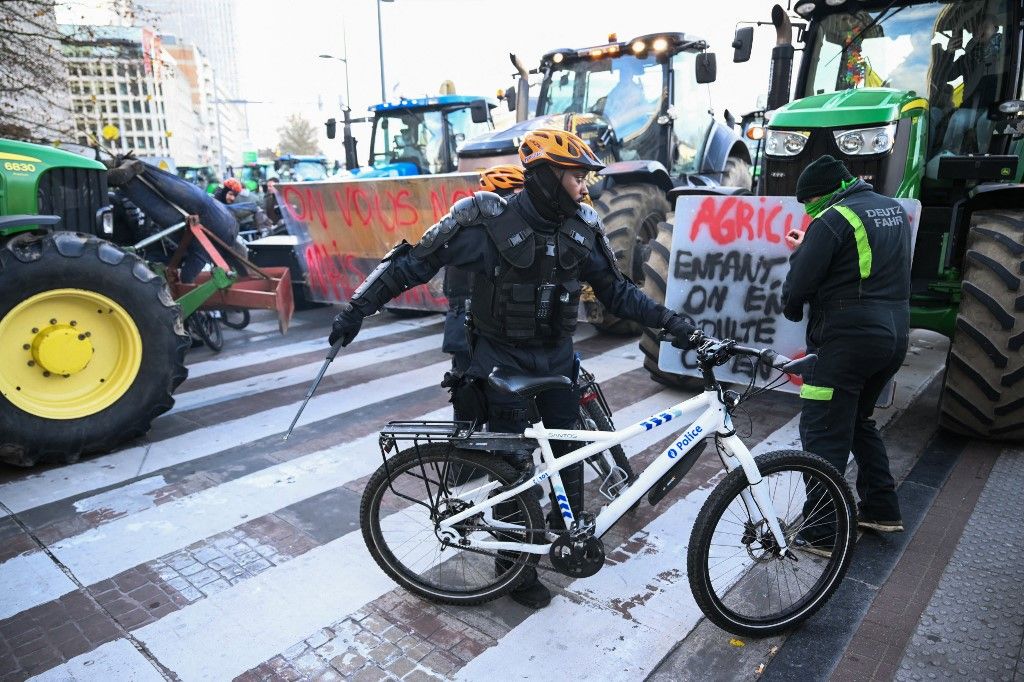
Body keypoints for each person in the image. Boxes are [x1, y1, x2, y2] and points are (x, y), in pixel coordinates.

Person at [328, 129, 696, 607]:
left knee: (569, 455)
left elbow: (617, 291)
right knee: (514, 469)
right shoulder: (484, 220)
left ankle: (567, 539)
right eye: (576, 177)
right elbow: (412, 264)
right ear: (545, 177)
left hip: (558, 361)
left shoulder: (583, 226)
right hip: (499, 363)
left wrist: (674, 323)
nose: (585, 188)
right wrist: (357, 309)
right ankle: (515, 572)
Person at [782, 155, 911, 556]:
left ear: (823, 194)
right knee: (858, 421)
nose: (808, 211)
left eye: (810, 202)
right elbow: (862, 267)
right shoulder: (891, 209)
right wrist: (815, 247)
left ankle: (822, 531)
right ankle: (881, 510)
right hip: (892, 337)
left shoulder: (832, 219)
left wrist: (799, 267)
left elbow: (799, 285)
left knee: (822, 432)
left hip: (846, 343)